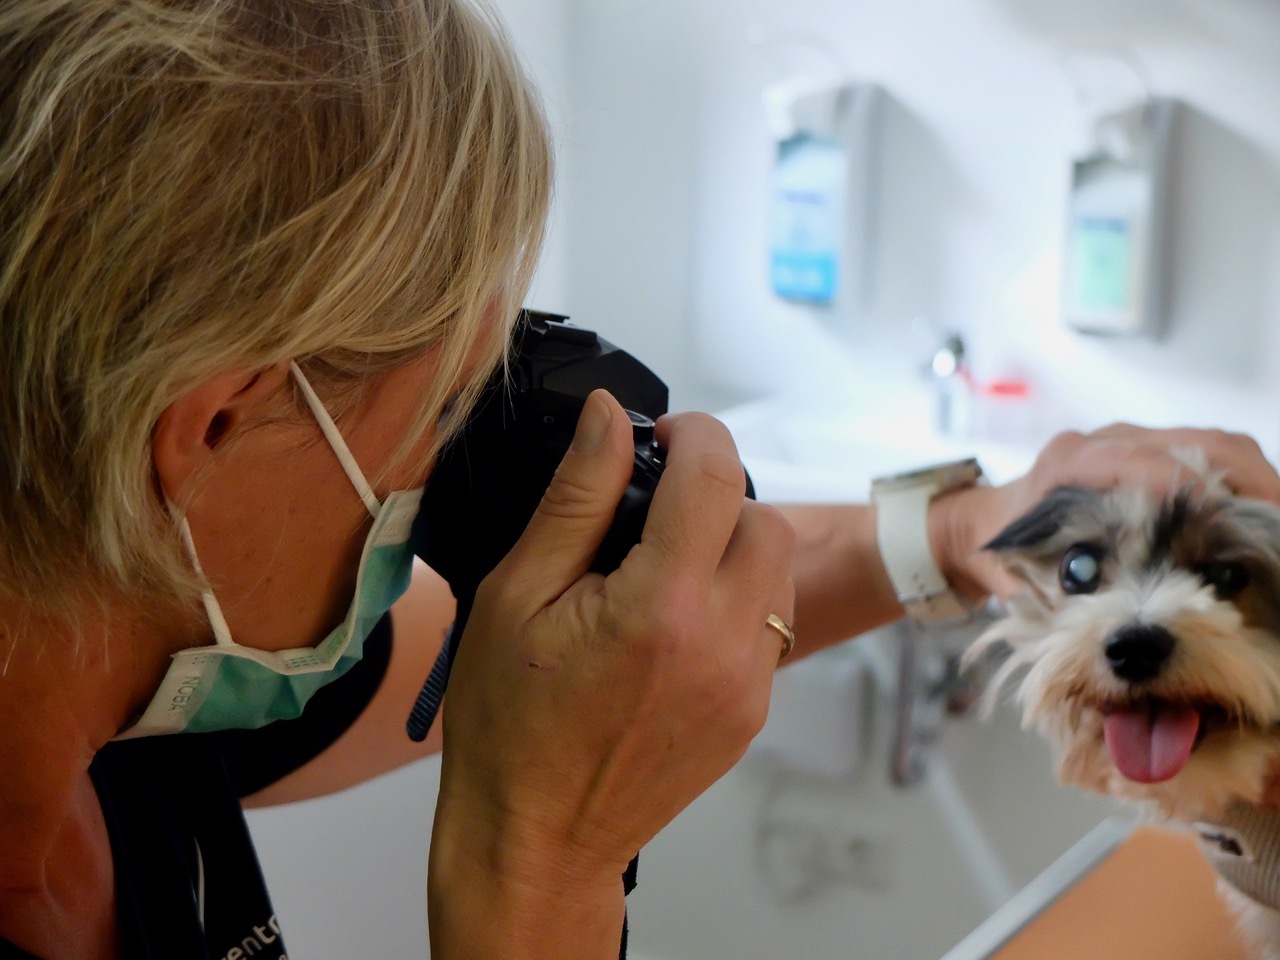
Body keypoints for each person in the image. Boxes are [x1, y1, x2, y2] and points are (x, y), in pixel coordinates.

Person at [2, 2, 1278, 959]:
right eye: (442, 399)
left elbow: (619, 634)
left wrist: (954, 533)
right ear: (216, 426)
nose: (450, 460)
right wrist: (539, 859)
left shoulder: (142, 699)